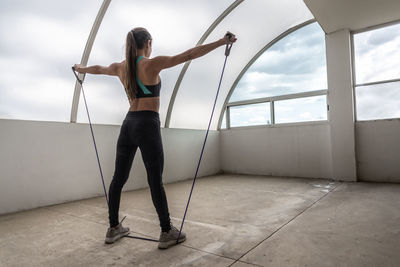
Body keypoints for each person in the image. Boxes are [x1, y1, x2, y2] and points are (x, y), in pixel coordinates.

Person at [74, 27, 236, 249]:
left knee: (118, 178)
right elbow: (188, 55)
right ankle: (167, 231)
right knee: (154, 179)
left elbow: (99, 69)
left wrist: (80, 68)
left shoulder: (120, 67)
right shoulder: (151, 64)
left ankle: (113, 228)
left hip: (128, 125)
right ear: (148, 43)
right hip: (147, 124)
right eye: (151, 44)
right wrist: (220, 42)